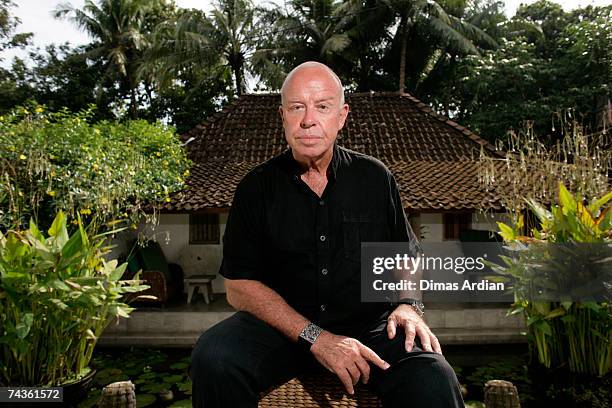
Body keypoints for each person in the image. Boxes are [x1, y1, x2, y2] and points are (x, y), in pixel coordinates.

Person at [190, 61, 464, 407]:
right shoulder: (255, 188)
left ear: (342, 116)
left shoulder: (374, 178)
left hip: (369, 327)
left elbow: (403, 254)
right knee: (213, 357)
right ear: (283, 116)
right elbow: (238, 287)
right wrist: (316, 338)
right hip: (284, 330)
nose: (308, 120)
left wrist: (408, 304)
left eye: (322, 106)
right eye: (296, 107)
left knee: (433, 376)